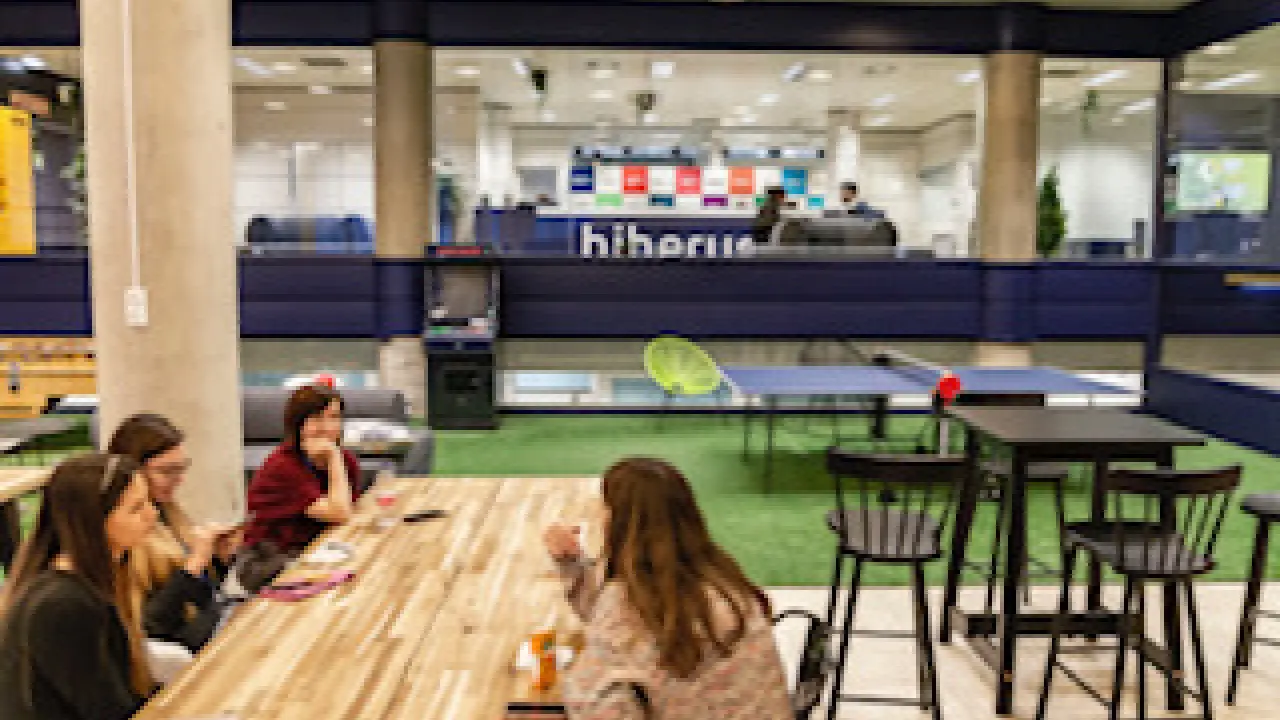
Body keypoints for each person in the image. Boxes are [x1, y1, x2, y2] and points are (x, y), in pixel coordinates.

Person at [543, 458, 792, 719]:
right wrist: (572, 564)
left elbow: (597, 707)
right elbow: (610, 622)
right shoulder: (726, 582)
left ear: (618, 523)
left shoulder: (624, 609)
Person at [0, 454, 157, 720]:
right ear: (94, 521)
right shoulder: (64, 605)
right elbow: (109, 711)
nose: (152, 514)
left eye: (149, 502)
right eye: (136, 508)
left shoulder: (76, 585)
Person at [108, 414, 239, 656]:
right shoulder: (125, 535)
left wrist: (218, 560)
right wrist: (195, 564)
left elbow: (203, 598)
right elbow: (149, 627)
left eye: (181, 467)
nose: (179, 479)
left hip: (202, 635)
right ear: (134, 473)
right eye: (167, 471)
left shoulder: (168, 513)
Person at [243, 384, 362, 557]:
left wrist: (335, 458)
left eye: (334, 417)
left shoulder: (346, 459)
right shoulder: (283, 466)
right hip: (270, 559)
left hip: (317, 550)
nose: (327, 427)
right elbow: (340, 513)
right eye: (316, 418)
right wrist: (334, 457)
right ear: (298, 424)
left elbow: (349, 509)